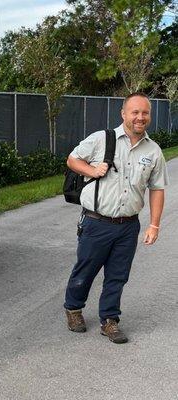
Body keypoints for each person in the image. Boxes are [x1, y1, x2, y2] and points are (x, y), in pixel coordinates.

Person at [63, 92, 169, 344]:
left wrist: (154, 224)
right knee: (85, 270)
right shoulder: (102, 139)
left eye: (145, 113)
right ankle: (74, 308)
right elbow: (72, 159)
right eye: (135, 112)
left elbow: (157, 189)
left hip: (128, 225)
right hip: (96, 222)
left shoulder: (153, 151)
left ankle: (110, 320)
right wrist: (91, 170)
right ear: (123, 114)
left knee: (118, 275)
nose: (140, 117)